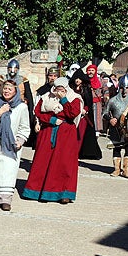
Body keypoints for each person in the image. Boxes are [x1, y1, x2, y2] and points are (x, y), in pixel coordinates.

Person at [22, 76, 84, 204]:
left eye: (62, 89)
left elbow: (72, 114)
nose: (59, 91)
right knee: (42, 161)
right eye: (57, 89)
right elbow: (38, 111)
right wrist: (50, 120)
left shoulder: (75, 98)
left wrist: (64, 100)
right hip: (48, 131)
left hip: (66, 134)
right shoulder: (46, 97)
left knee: (64, 163)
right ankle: (36, 191)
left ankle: (64, 193)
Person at [0, 79, 30, 211]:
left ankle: (6, 200)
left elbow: (24, 127)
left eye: (10, 89)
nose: (7, 91)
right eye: (5, 88)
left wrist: (20, 140)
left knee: (8, 173)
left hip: (10, 145)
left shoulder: (21, 107)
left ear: (15, 91)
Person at [104, 74, 128, 178]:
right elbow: (105, 113)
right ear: (120, 88)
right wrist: (110, 119)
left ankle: (126, 170)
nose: (125, 90)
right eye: (123, 88)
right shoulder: (113, 100)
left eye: (127, 88)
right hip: (116, 128)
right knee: (116, 148)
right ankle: (117, 170)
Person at [85, 64, 105, 132]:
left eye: (92, 70)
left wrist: (106, 97)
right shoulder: (85, 80)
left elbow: (106, 89)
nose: (90, 72)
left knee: (97, 117)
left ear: (95, 71)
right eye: (89, 70)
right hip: (87, 103)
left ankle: (97, 132)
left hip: (97, 103)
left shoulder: (100, 80)